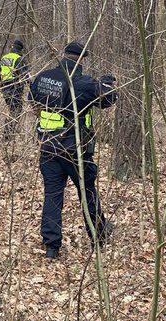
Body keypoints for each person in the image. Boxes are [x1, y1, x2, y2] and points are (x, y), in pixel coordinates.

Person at [28, 41, 117, 259]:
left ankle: (51, 247)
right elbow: (109, 99)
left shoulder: (43, 78)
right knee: (87, 193)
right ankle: (98, 236)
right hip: (75, 151)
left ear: (63, 55)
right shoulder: (82, 82)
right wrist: (106, 83)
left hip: (48, 148)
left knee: (52, 195)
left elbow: (32, 102)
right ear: (81, 60)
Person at [0, 39, 29, 141]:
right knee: (16, 111)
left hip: (5, 88)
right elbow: (25, 76)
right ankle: (7, 136)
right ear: (20, 49)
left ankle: (7, 135)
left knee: (12, 110)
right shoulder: (19, 59)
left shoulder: (3, 58)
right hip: (15, 89)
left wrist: (3, 84)